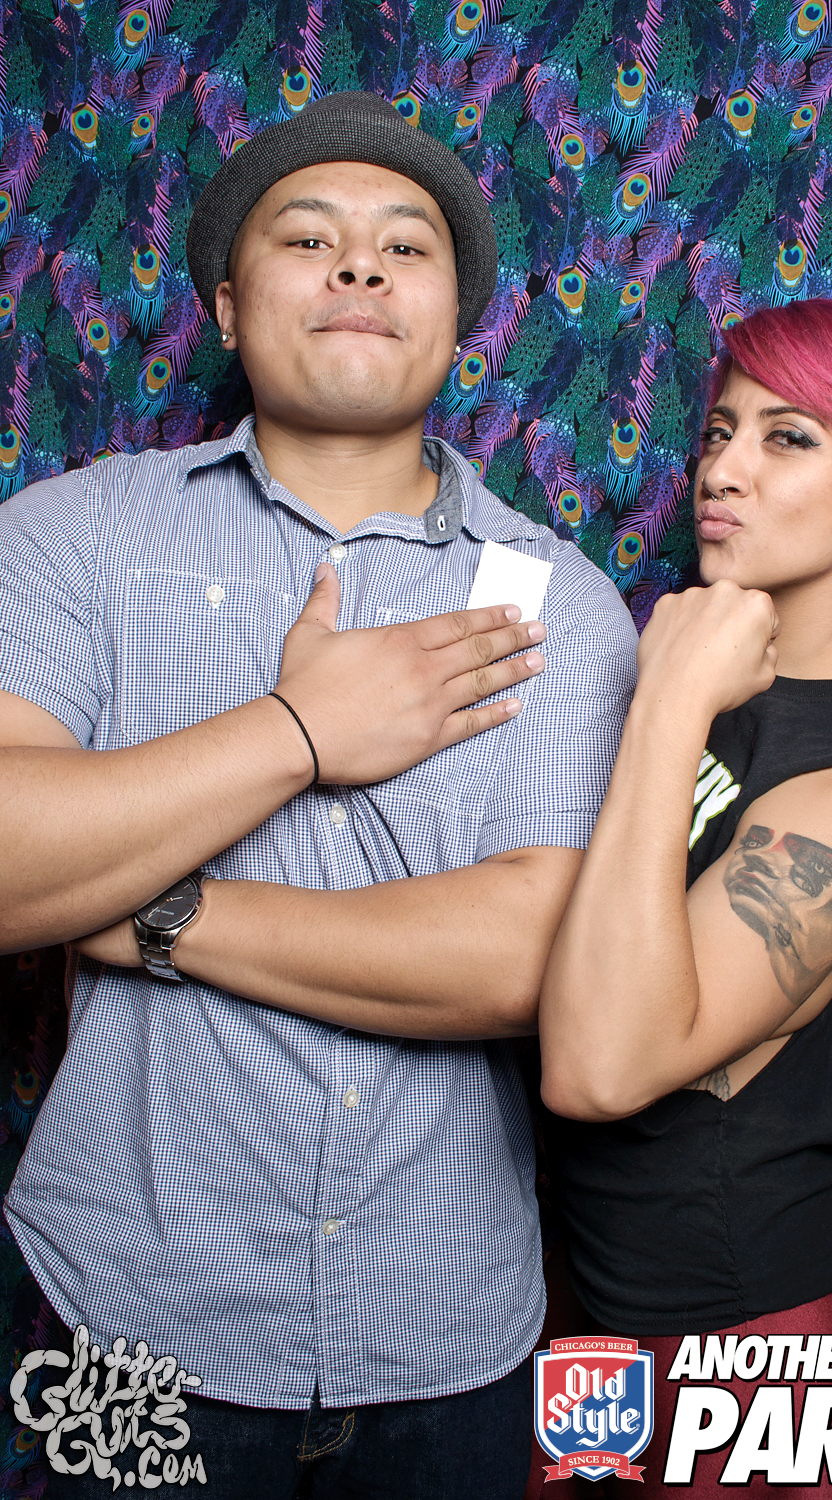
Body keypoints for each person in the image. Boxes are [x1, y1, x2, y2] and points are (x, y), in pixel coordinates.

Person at [0, 91, 638, 1498]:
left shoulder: (560, 599)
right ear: (227, 311)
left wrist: (151, 911)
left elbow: (534, 956)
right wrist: (299, 729)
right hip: (129, 1319)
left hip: (452, 1335)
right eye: (308, 239)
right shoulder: (74, 538)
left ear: (458, 327)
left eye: (406, 247)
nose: (359, 265)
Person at [533, 299, 832, 1496]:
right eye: (720, 431)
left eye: (787, 438)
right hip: (593, 1283)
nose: (721, 470)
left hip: (753, 1321)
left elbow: (601, 1069)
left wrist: (672, 703)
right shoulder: (703, 684)